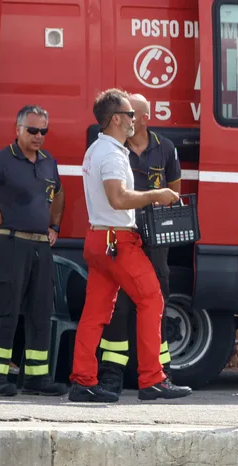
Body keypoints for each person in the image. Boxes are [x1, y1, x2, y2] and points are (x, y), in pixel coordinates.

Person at [69, 88, 191, 403]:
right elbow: (118, 198)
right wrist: (156, 194)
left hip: (99, 238)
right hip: (117, 240)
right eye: (130, 114)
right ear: (116, 119)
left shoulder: (100, 149)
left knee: (95, 313)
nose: (135, 119)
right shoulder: (110, 154)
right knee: (152, 300)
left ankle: (83, 381)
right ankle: (152, 379)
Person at [0, 105, 68, 398]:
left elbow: (58, 191)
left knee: (41, 311)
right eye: (32, 130)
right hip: (11, 243)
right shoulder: (4, 159)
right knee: (4, 310)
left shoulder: (47, 162)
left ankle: (36, 378)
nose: (39, 136)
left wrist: (54, 225)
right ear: (17, 129)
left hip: (41, 246)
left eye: (43, 131)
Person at [97, 93, 180, 395]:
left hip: (155, 240)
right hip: (123, 234)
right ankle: (111, 375)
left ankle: (161, 373)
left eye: (135, 114)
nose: (132, 119)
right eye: (129, 113)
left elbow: (174, 190)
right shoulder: (114, 149)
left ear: (144, 118)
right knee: (116, 306)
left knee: (157, 302)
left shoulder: (165, 148)